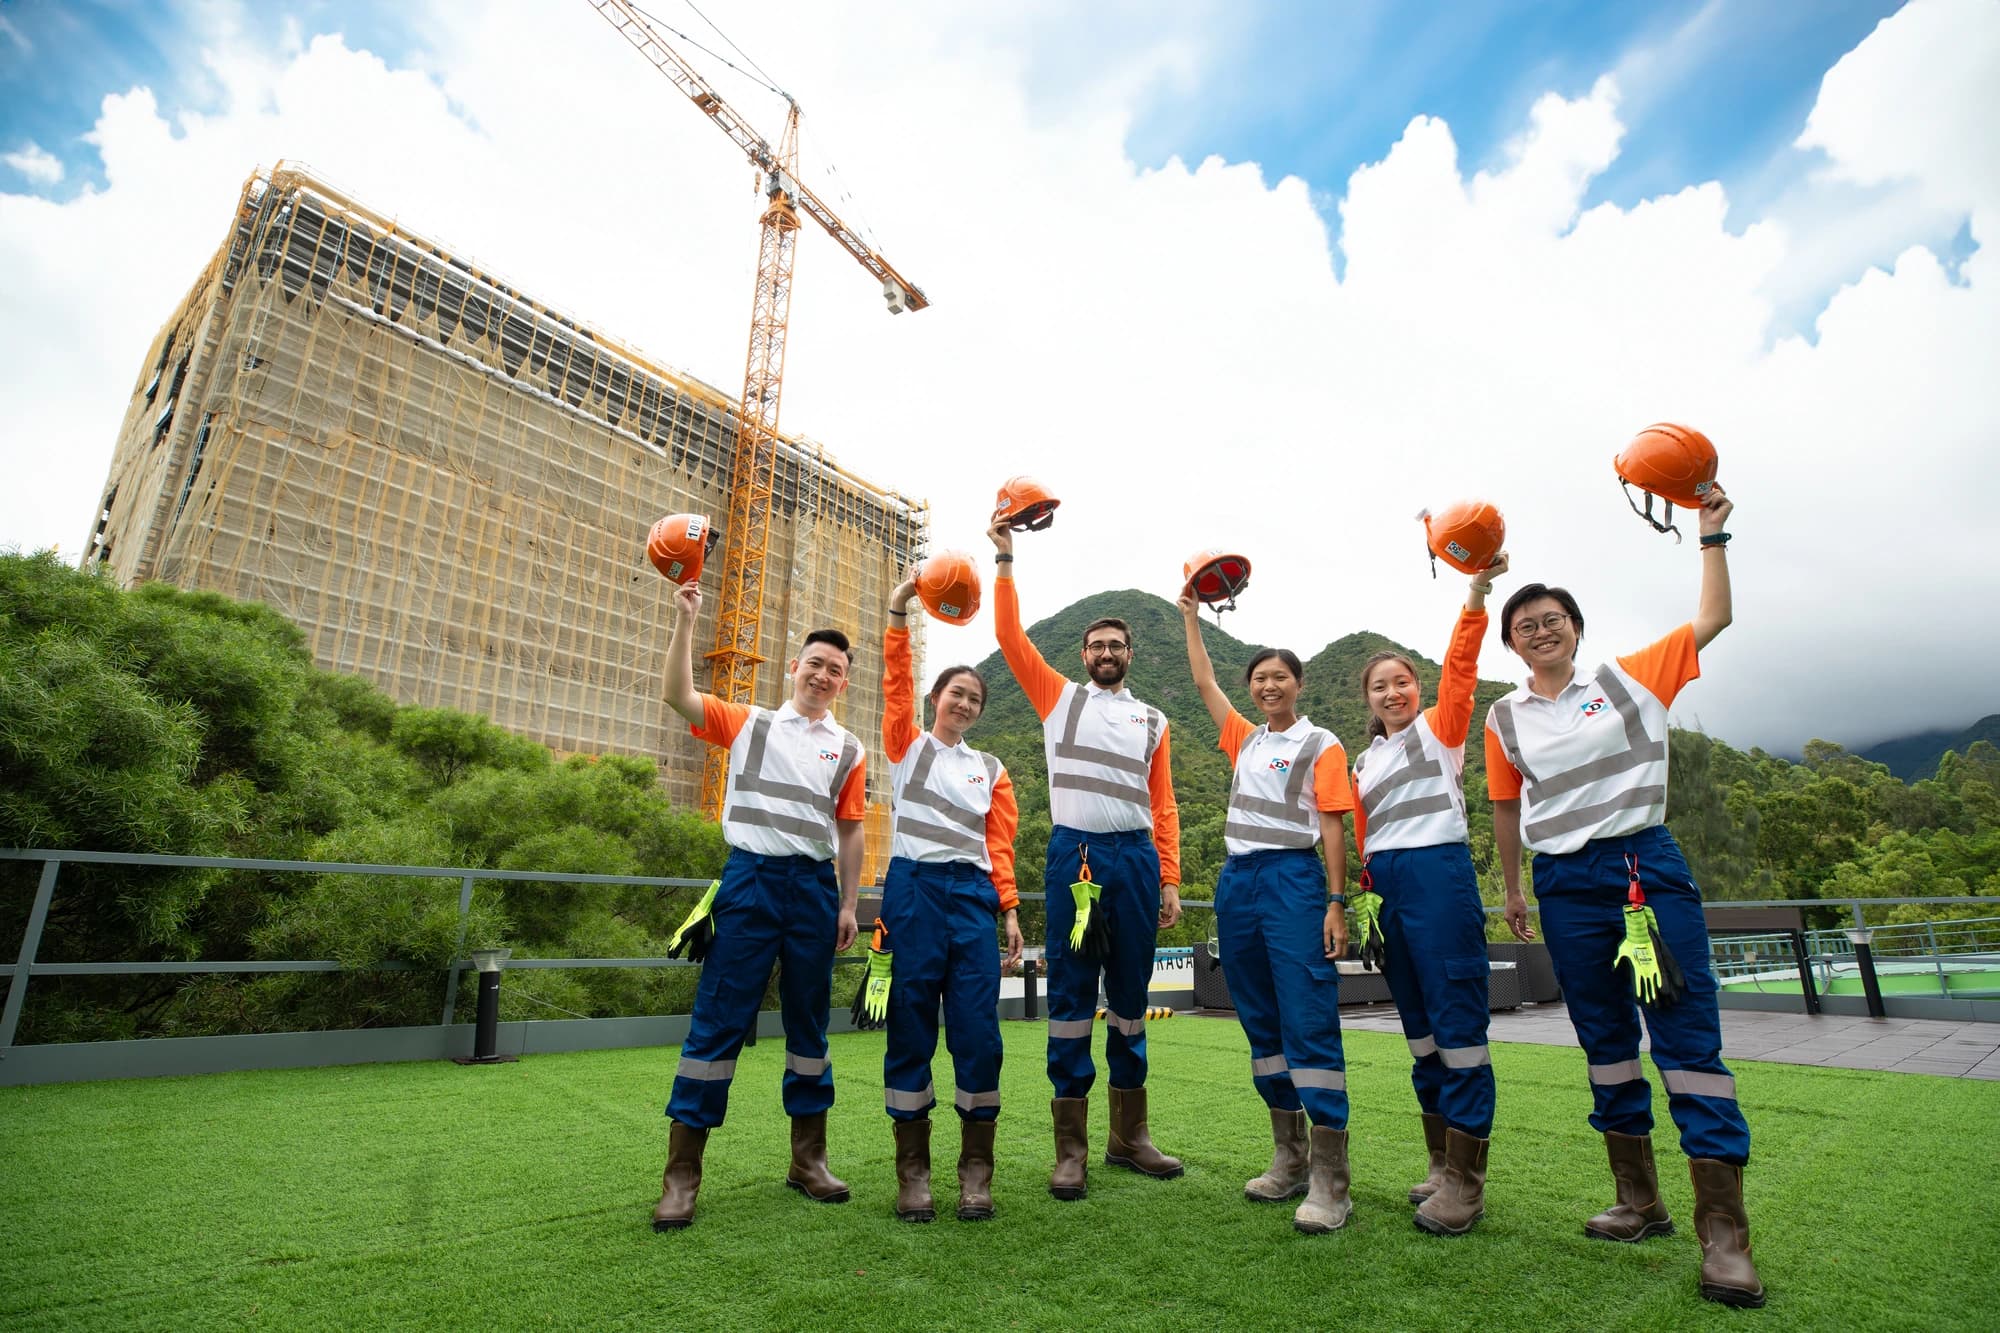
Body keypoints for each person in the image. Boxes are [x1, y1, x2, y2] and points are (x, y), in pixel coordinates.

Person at [1485, 486, 1764, 1307]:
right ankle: (1639, 1200)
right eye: (1525, 622)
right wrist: (1513, 891)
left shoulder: (1632, 677)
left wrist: (1711, 533)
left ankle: (1725, 1235)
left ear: (1575, 628)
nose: (1541, 628)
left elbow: (1713, 620)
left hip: (1644, 867)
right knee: (1604, 1040)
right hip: (1562, 882)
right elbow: (1508, 808)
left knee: (1684, 1036)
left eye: (1553, 617)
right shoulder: (1502, 717)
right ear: (1511, 641)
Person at [651, 582, 867, 1230]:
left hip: (813, 890)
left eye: (836, 669)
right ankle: (681, 1176)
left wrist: (849, 903)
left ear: (842, 682)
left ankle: (809, 1160)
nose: (824, 675)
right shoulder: (749, 722)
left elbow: (851, 830)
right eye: (816, 663)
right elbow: (678, 696)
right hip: (748, 881)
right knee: (717, 1023)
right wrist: (687, 621)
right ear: (792, 668)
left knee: (809, 1030)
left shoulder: (849, 748)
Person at [988, 516, 1183, 1201]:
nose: (1106, 651)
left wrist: (1169, 876)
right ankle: (1069, 1149)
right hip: (1076, 859)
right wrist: (1006, 558)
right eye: (1097, 643)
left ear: (1132, 653)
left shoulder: (1155, 719)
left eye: (1117, 644)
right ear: (1082, 652)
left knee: (1130, 1001)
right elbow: (1009, 637)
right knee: (1072, 1001)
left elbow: (1163, 805)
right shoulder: (1057, 698)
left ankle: (1130, 1137)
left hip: (1134, 860)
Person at [1180, 596, 1358, 1234]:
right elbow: (1204, 680)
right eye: (1258, 678)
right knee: (1258, 1018)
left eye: (1279, 676)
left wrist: (1336, 901)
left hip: (1294, 879)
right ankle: (1289, 1155)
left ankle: (1331, 1180)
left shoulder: (1320, 743)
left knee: (1306, 1014)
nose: (1267, 686)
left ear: (1298, 683)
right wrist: (1191, 618)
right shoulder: (1244, 738)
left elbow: (1333, 824)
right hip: (1238, 883)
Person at [1350, 555, 1505, 1237]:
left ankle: (1467, 1184)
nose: (1393, 692)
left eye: (1403, 681)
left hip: (1440, 876)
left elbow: (1463, 665)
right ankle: (1441, 1162)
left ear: (1418, 687)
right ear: (1368, 699)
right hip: (1385, 889)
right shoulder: (1362, 762)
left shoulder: (1442, 731)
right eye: (1381, 686)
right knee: (1420, 1033)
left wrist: (1476, 591)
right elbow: (1358, 836)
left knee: (1460, 1030)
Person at [878, 575, 1025, 1222]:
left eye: (973, 698)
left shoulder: (990, 769)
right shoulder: (904, 743)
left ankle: (975, 1169)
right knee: (910, 1025)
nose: (963, 703)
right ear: (934, 698)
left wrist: (1010, 908)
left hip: (971, 899)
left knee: (978, 1033)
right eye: (955, 692)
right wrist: (899, 607)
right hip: (912, 888)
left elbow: (999, 845)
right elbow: (894, 678)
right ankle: (912, 1172)